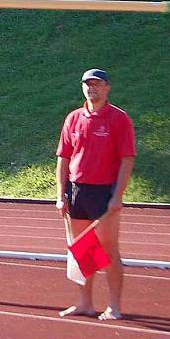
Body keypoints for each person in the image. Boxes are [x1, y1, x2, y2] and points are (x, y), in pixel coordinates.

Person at [56, 69, 136, 321]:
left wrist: (118, 195)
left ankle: (114, 305)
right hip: (78, 190)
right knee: (84, 249)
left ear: (107, 88)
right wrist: (61, 193)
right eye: (88, 84)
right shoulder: (73, 118)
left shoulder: (119, 119)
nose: (92, 88)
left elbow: (127, 158)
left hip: (104, 191)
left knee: (110, 250)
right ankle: (85, 303)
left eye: (97, 84)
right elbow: (63, 157)